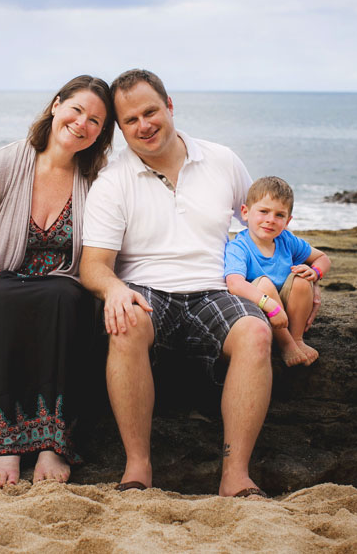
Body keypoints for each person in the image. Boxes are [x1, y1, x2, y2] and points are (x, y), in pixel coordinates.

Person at [80, 69, 273, 499]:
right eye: (130, 120)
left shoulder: (222, 160)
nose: (143, 125)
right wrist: (114, 289)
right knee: (124, 323)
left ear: (169, 106)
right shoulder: (113, 181)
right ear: (120, 128)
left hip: (215, 289)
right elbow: (93, 266)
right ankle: (138, 466)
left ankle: (236, 475)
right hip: (147, 290)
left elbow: (261, 225)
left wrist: (297, 275)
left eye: (150, 112)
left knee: (257, 333)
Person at [0, 75, 115, 487]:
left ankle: (52, 443)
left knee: (62, 298)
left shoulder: (99, 179)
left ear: (101, 133)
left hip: (65, 284)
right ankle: (4, 442)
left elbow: (113, 245)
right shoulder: (2, 165)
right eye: (76, 110)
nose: (81, 124)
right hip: (1, 278)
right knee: (1, 299)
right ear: (56, 105)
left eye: (95, 121)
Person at [224, 176, 331, 367]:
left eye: (279, 215)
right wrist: (271, 306)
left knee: (301, 278)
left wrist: (315, 272)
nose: (270, 220)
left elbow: (322, 258)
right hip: (261, 311)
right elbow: (235, 284)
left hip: (288, 312)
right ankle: (286, 345)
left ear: (288, 220)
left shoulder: (287, 240)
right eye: (264, 211)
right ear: (245, 212)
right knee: (264, 283)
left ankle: (297, 339)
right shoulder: (238, 247)